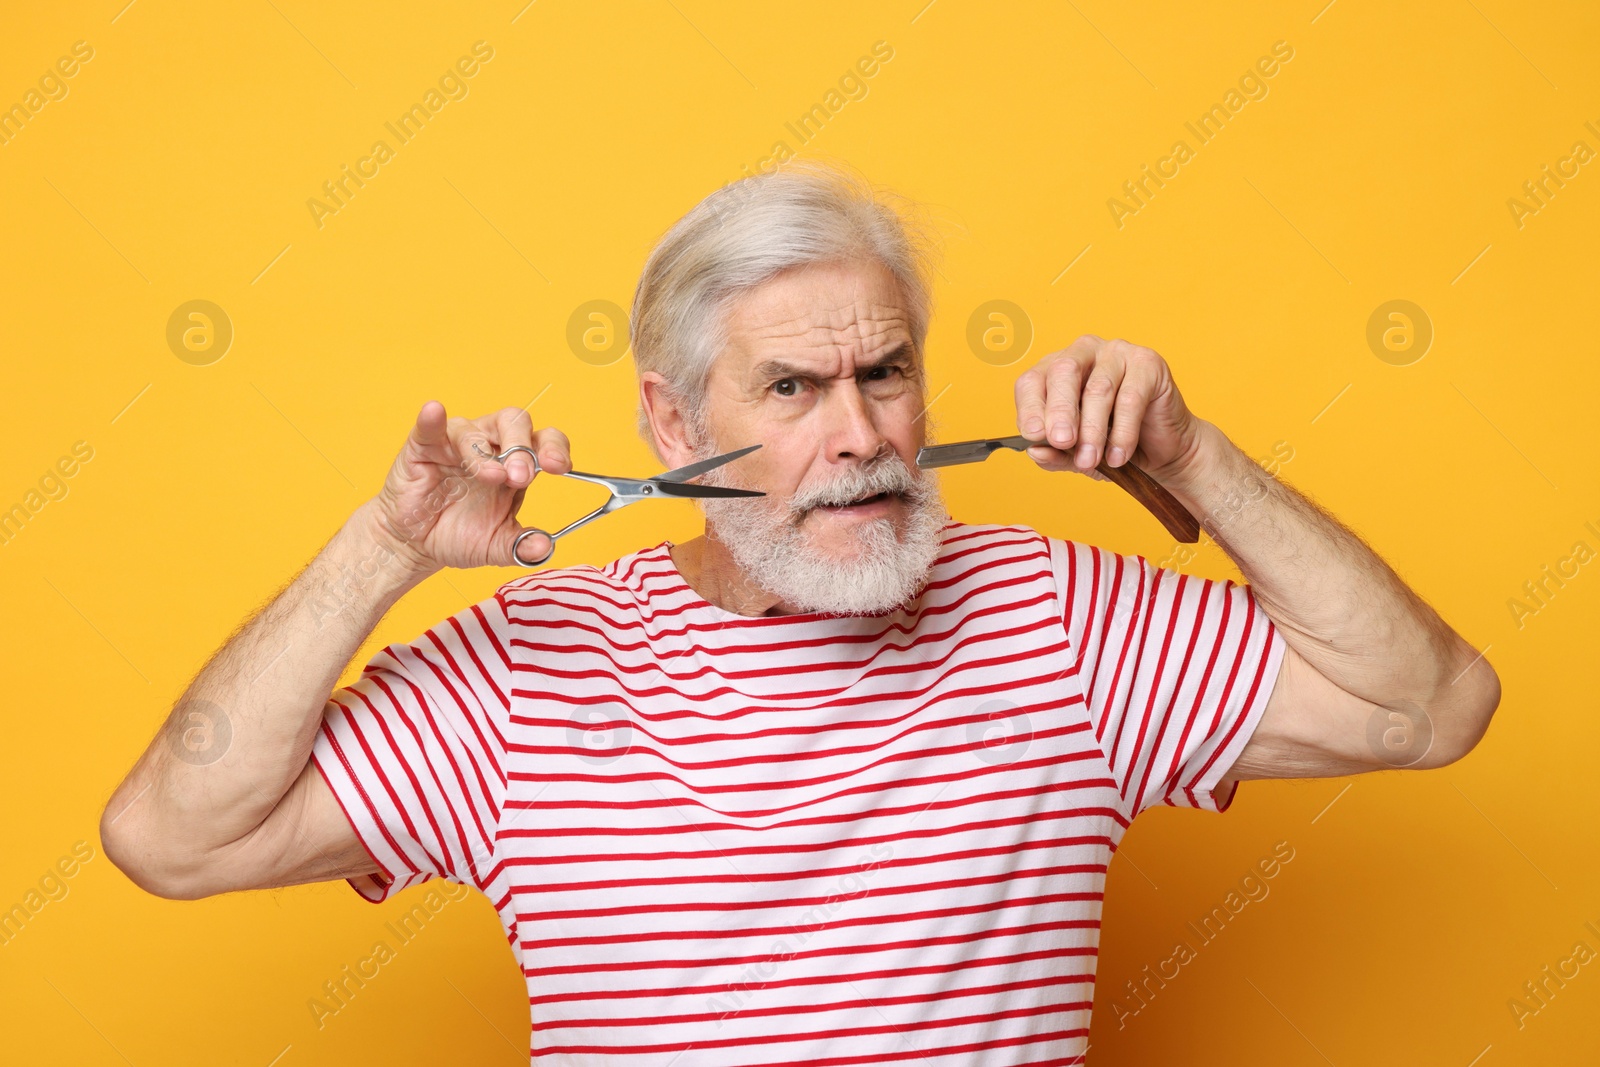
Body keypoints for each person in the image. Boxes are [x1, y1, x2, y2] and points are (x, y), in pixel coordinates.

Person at [100, 159, 1501, 1063]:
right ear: (667, 418)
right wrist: (383, 551)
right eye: (790, 390)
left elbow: (1428, 705)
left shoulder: (1060, 621)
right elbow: (171, 838)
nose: (860, 436)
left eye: (885, 374)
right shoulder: (532, 672)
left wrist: (1196, 458)